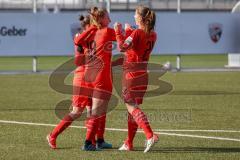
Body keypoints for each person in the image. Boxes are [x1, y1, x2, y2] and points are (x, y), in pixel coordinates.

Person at [46, 13, 112, 150]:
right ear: (89, 25)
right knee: (77, 111)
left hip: (91, 75)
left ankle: (95, 141)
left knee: (93, 110)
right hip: (82, 75)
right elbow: (81, 57)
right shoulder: (82, 36)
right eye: (93, 25)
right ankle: (52, 135)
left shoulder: (96, 34)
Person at [114, 5, 159, 153]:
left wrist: (118, 32)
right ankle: (129, 143)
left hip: (131, 75)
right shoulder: (153, 34)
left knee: (131, 107)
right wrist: (129, 31)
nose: (133, 16)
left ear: (140, 17)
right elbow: (138, 44)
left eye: (135, 14)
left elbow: (122, 47)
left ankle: (150, 135)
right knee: (132, 110)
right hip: (143, 75)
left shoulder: (137, 33)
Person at [74, 7, 116, 151]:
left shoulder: (91, 32)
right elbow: (124, 43)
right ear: (100, 19)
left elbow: (78, 40)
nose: (110, 20)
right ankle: (88, 143)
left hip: (90, 75)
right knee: (97, 112)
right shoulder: (107, 31)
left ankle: (98, 141)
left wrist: (91, 27)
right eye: (107, 18)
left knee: (98, 111)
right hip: (101, 76)